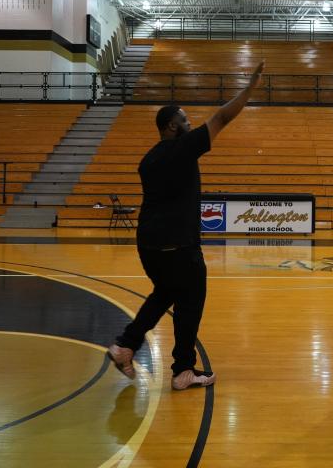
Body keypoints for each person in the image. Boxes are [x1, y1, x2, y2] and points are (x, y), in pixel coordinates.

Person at [107, 61, 265, 390]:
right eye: (184, 119)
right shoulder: (183, 148)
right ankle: (183, 370)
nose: (189, 122)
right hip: (179, 246)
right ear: (170, 126)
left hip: (149, 245)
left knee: (164, 293)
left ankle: (126, 346)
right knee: (190, 303)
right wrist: (249, 89)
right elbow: (221, 117)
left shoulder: (148, 159)